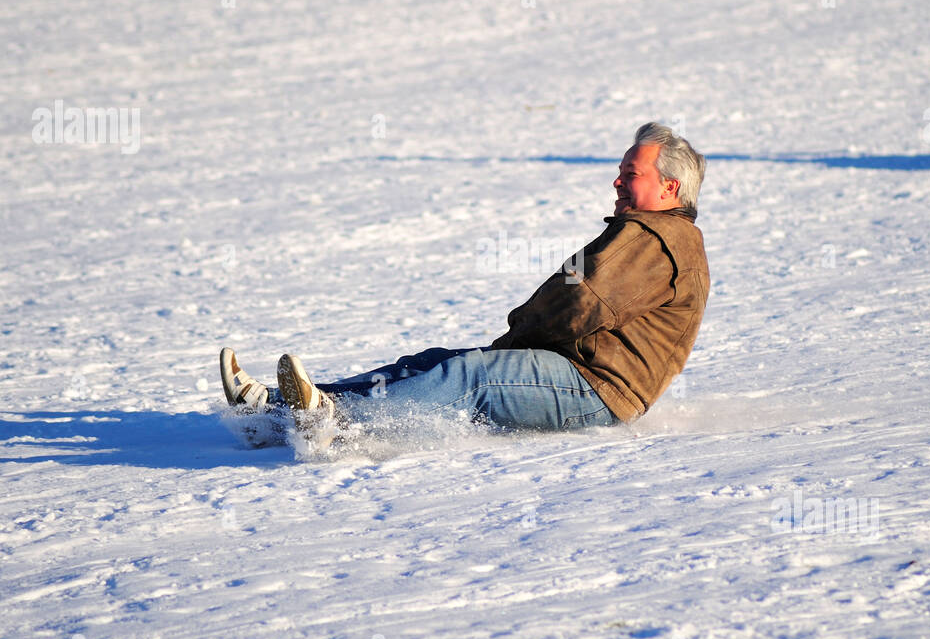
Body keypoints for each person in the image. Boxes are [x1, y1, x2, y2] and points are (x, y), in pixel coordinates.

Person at [220, 122, 709, 446]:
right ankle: (281, 409)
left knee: (472, 377)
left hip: (598, 389)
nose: (617, 182)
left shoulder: (655, 237)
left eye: (630, 173)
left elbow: (580, 301)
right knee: (432, 365)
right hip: (579, 372)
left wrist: (516, 339)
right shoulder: (660, 236)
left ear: (670, 186)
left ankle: (331, 422)